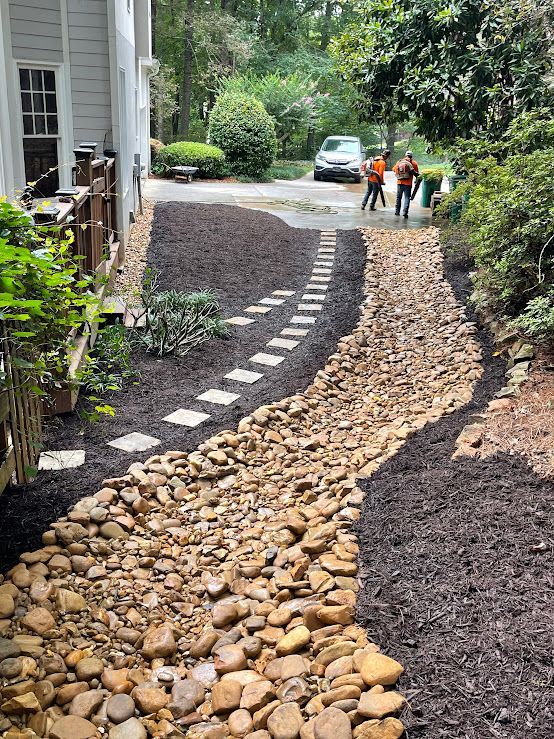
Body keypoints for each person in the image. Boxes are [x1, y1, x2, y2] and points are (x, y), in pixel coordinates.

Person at [392, 150, 419, 218]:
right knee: (407, 198)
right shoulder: (414, 163)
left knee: (398, 198)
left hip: (399, 182)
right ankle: (405, 212)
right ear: (411, 156)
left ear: (405, 155)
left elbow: (393, 169)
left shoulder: (400, 162)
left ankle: (397, 212)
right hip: (408, 184)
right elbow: (417, 174)